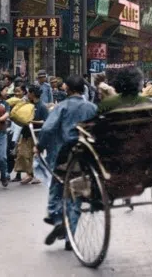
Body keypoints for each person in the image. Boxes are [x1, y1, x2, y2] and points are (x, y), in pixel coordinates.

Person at [38, 75, 98, 248]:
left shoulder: (62, 107)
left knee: (57, 188)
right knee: (76, 196)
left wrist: (40, 145)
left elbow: (48, 128)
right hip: (86, 156)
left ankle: (57, 219)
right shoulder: (92, 107)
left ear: (68, 89)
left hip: (65, 156)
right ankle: (70, 234)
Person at [13, 85, 48, 185]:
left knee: (36, 156)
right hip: (26, 133)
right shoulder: (27, 104)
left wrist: (32, 121)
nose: (27, 94)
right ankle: (29, 174)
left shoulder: (42, 106)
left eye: (29, 93)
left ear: (33, 94)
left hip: (37, 135)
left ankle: (37, 175)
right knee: (23, 154)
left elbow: (45, 121)